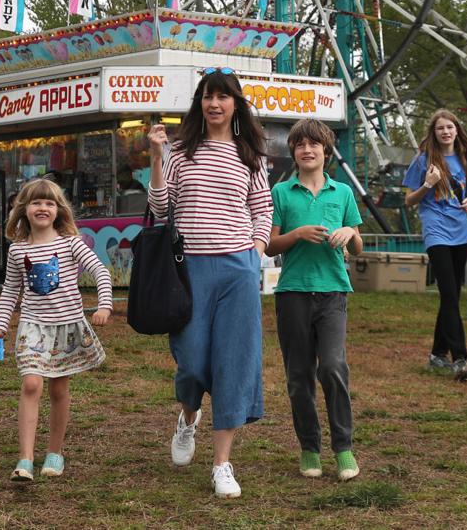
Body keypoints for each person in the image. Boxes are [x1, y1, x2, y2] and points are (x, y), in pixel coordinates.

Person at [147, 67, 273, 499]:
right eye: (207, 96)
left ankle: (222, 463)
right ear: (199, 103)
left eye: (222, 97)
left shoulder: (250, 154)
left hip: (238, 269)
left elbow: (263, 207)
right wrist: (156, 160)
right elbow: (162, 209)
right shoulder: (181, 151)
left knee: (234, 364)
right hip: (190, 269)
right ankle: (188, 419)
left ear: (236, 104)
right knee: (193, 361)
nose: (214, 103)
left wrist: (255, 250)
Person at [0, 178, 112, 482]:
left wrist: (104, 305)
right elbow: (10, 291)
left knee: (59, 388)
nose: (42, 207)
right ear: (24, 209)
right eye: (36, 202)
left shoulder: (70, 243)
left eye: (49, 202)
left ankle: (55, 452)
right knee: (31, 384)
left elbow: (100, 270)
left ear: (59, 210)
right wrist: (0, 326)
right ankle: (25, 458)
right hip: (32, 327)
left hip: (66, 328)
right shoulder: (17, 250)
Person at [266, 119, 364, 482]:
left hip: (333, 292)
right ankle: (309, 448)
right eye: (300, 145)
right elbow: (269, 245)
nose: (307, 150)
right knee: (299, 376)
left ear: (326, 151)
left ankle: (343, 448)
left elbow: (359, 244)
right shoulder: (281, 193)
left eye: (314, 144)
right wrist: (297, 234)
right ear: (293, 152)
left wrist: (348, 232)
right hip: (292, 293)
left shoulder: (342, 193)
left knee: (333, 367)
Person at [402, 109, 467, 380]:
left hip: (462, 231)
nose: (446, 132)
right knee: (449, 294)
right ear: (433, 133)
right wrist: (428, 184)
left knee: (452, 297)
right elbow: (409, 200)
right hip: (436, 231)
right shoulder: (423, 160)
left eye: (449, 127)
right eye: (440, 128)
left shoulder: (465, 159)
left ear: (457, 130)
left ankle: (437, 354)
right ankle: (460, 358)